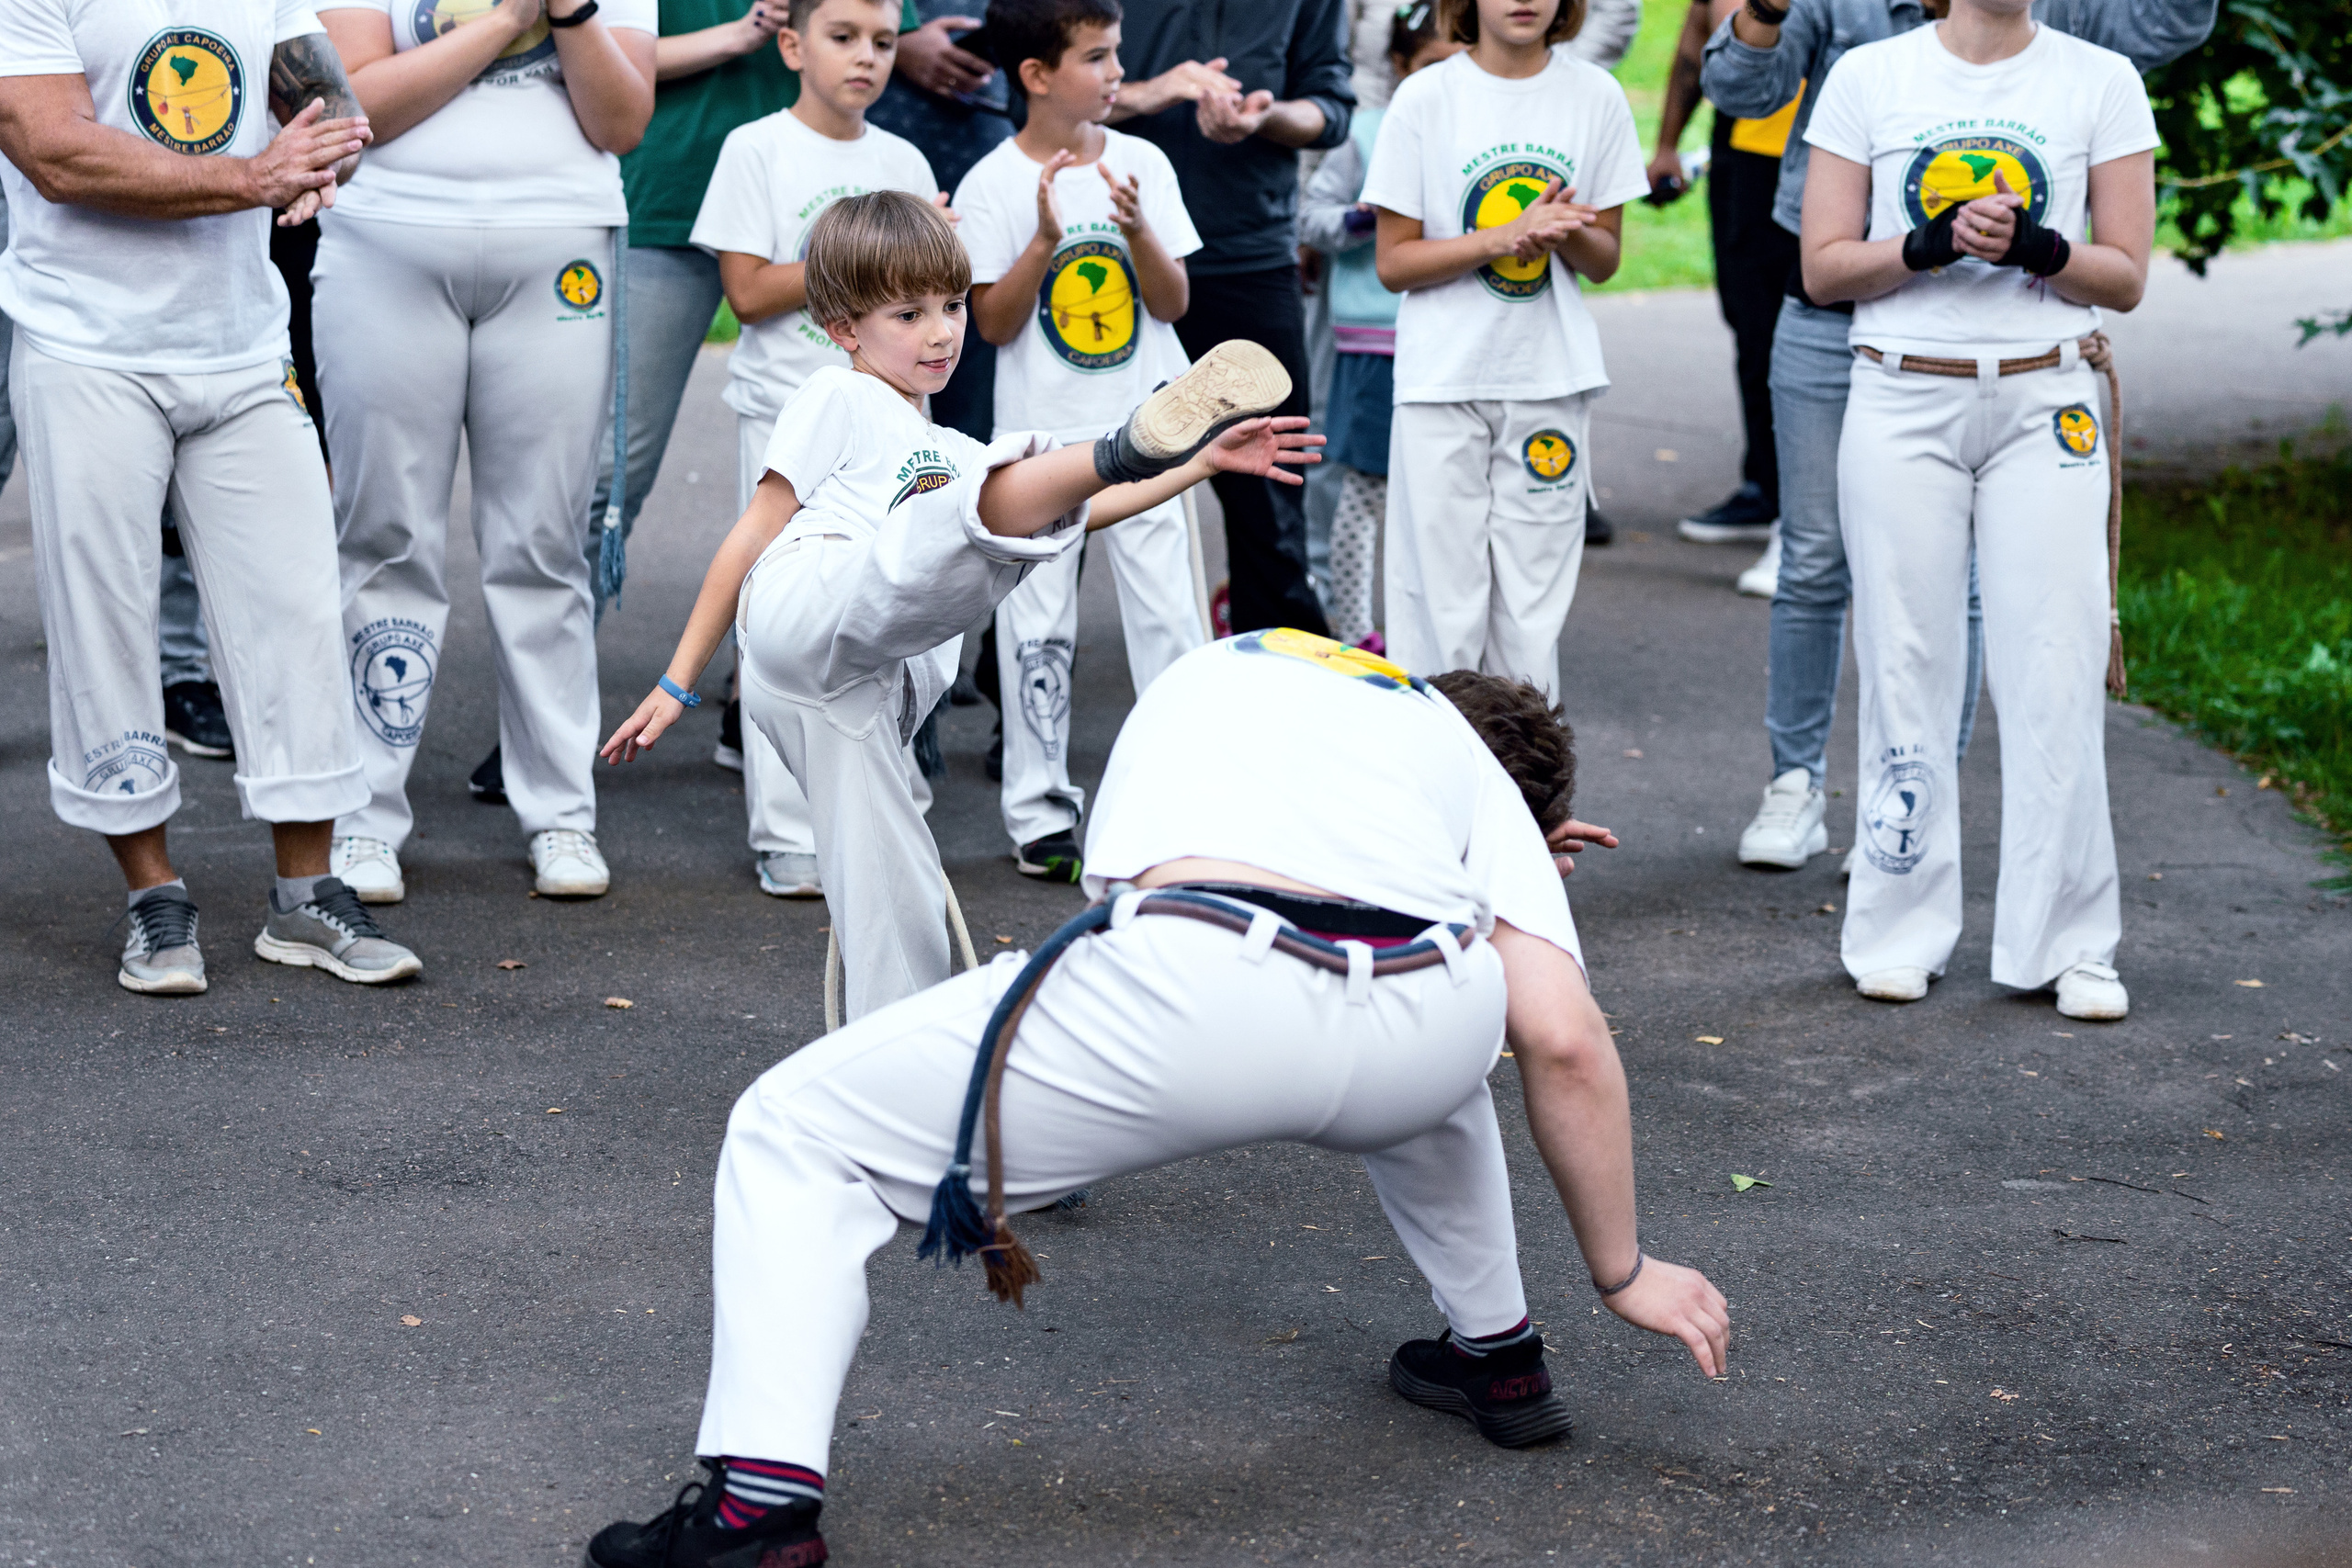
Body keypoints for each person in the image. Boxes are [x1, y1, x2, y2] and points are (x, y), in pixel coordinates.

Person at [581, 633, 1731, 1568]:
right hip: (1421, 1028)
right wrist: (1624, 1272)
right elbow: (1563, 1039)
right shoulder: (1467, 774)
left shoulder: (1305, 676)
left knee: (794, 1129)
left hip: (1200, 982)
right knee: (1443, 1006)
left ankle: (758, 1512)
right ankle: (1504, 1356)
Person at [599, 190, 1316, 1021]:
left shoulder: (948, 452)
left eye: (951, 306)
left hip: (857, 689)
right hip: (805, 606)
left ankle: (890, 1068)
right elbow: (753, 533)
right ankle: (1116, 444)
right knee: (971, 507)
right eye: (908, 313)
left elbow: (1068, 514)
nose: (942, 331)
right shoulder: (839, 398)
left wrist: (1198, 465)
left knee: (895, 909)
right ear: (843, 329)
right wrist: (678, 682)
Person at [1702, 0, 2215, 870]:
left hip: (2005, 330)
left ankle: (1916, 809)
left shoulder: (2046, 20)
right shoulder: (1852, 25)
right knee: (1817, 555)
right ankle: (1795, 784)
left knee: (1964, 584)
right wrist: (1764, 10)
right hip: (1841, 308)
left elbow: (2170, 25)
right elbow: (1743, 92)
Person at [0, 2, 423, 995]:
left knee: (298, 615)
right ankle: (154, 898)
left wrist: (323, 161)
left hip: (240, 350)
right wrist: (251, 176)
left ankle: (306, 898)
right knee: (104, 621)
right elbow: (53, 150)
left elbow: (330, 111)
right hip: (85, 347)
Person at [1800, 0, 2156, 1016]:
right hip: (1902, 391)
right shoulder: (1873, 76)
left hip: (2046, 393)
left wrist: (2035, 249)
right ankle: (1897, 925)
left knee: (2054, 656)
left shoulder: (2099, 79)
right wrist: (1926, 244)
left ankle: (2072, 940)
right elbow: (1822, 268)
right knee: (1905, 654)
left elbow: (2124, 276)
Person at [315, 0, 658, 905]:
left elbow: (620, 122)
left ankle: (560, 814)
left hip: (559, 248)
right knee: (383, 540)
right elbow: (357, 105)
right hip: (386, 241)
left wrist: (573, 12)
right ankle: (362, 817)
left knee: (542, 544)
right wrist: (508, 19)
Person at [690, 0, 944, 899]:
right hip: (785, 412)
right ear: (793, 45)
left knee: (887, 603)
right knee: (780, 611)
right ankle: (787, 828)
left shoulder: (902, 158)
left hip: (887, 426)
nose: (867, 58)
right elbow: (750, 293)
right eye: (844, 37)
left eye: (883, 41)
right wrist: (865, 253)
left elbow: (929, 292)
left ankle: (882, 788)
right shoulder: (756, 148)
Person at [956, 0, 1207, 882]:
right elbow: (991, 323)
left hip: (1151, 428)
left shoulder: (1142, 163)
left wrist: (1137, 230)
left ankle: (1186, 804)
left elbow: (1174, 305)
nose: (1114, 73)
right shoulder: (993, 181)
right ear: (1035, 75)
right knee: (1037, 632)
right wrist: (1041, 243)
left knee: (1169, 618)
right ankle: (1040, 815)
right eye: (1097, 58)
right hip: (1041, 444)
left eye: (1116, 55)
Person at [1365, 0, 1648, 699]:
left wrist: (1564, 232)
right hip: (1442, 380)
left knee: (1530, 614)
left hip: (1548, 376)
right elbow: (1395, 262)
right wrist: (1503, 235)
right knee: (1439, 604)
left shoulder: (1596, 95)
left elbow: (1605, 257)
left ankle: (1527, 793)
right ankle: (1437, 782)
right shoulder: (1426, 97)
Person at [1103, 0, 1354, 637]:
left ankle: (1280, 678)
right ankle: (1021, 698)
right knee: (1080, 459)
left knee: (1269, 491)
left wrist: (1267, 116)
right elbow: (1036, 90)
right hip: (1108, 251)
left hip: (1248, 254)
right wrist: (1148, 93)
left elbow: (1331, 109)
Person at [1298, 2, 1459, 651]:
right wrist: (1365, 218)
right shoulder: (1367, 132)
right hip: (1373, 340)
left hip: (1453, 337)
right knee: (1364, 487)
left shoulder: (1476, 135)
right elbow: (1310, 219)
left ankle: (1435, 621)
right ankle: (1351, 624)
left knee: (1441, 488)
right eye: (1430, 68)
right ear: (1399, 66)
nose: (1444, 84)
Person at [1649, 0, 1797, 568]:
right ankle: (1766, 486)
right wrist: (1667, 144)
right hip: (1746, 154)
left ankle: (1805, 506)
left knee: (1810, 328)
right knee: (1751, 322)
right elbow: (1694, 49)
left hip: (1825, 154)